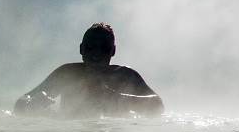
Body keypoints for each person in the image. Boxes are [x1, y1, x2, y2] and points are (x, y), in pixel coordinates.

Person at [13, 23, 163, 117]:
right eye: (90, 48)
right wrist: (32, 104)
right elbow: (19, 104)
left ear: (113, 51)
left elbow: (158, 106)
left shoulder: (125, 76)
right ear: (81, 49)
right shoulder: (68, 74)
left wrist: (116, 97)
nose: (96, 54)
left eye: (103, 48)